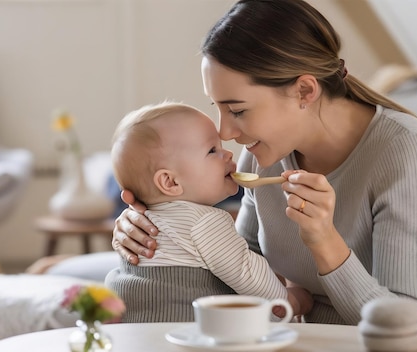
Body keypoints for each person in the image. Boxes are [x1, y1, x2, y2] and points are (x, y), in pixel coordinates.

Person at [111, 0, 417, 344]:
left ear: (305, 90)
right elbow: (240, 266)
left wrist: (325, 242)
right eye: (217, 107)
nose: (224, 133)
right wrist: (154, 228)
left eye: (237, 110)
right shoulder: (262, 154)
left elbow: (414, 331)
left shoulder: (404, 151)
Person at [105, 101, 312, 323]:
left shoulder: (143, 222)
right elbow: (247, 271)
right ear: (170, 181)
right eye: (212, 150)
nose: (228, 154)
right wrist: (289, 300)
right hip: (182, 329)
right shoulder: (204, 221)